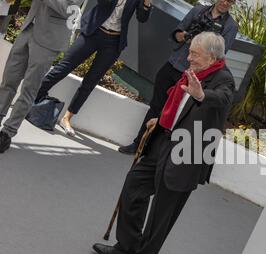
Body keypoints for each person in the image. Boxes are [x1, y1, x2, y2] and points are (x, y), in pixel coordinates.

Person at [93, 32, 235, 254]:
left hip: (187, 154)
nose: (188, 57)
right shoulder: (194, 71)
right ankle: (126, 247)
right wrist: (162, 119)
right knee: (134, 187)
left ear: (212, 57)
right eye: (190, 51)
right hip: (164, 141)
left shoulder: (223, 79)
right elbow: (182, 105)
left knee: (160, 216)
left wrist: (201, 95)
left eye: (194, 54)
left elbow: (222, 100)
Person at [118, 0, 238, 154]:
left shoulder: (230, 26)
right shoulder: (198, 11)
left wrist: (204, 43)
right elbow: (176, 35)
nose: (225, 2)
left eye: (230, 0)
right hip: (173, 65)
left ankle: (156, 153)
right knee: (156, 107)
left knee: (175, 114)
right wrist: (188, 36)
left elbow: (219, 55)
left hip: (193, 76)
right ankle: (139, 145)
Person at [35, 0, 152, 136]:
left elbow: (142, 18)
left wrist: (147, 3)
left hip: (114, 42)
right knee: (64, 67)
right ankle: (33, 96)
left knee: (91, 81)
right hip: (93, 32)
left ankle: (67, 118)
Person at [0, 0, 84, 154]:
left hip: (49, 39)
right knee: (8, 80)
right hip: (28, 27)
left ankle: (7, 133)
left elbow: (68, 9)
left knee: (29, 88)